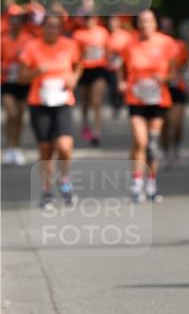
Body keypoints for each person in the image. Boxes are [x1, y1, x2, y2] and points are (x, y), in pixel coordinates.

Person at [19, 13, 82, 207]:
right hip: (40, 102)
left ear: (60, 29)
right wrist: (35, 72)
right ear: (42, 28)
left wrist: (74, 78)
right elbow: (21, 76)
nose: (52, 30)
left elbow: (79, 65)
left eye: (56, 26)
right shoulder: (32, 47)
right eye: (48, 26)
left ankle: (65, 181)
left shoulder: (69, 45)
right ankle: (46, 190)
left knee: (64, 146)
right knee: (45, 149)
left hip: (63, 101)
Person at [118, 9, 175, 203]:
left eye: (149, 21)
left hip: (158, 98)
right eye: (141, 21)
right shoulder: (129, 44)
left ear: (156, 23)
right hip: (135, 97)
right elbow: (120, 66)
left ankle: (151, 183)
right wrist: (121, 81)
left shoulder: (166, 43)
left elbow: (174, 71)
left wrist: (165, 77)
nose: (145, 25)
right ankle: (136, 183)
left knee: (151, 144)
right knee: (140, 140)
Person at [1, 4, 32, 164]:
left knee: (19, 115)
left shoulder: (28, 40)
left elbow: (32, 61)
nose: (15, 22)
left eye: (18, 19)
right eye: (12, 19)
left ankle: (17, 147)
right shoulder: (3, 40)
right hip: (7, 82)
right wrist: (4, 68)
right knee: (10, 113)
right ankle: (9, 146)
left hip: (23, 82)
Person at [73, 14, 109, 145]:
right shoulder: (78, 34)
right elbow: (75, 54)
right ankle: (86, 125)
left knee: (96, 101)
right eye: (86, 18)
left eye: (91, 17)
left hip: (99, 69)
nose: (89, 20)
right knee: (84, 103)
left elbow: (108, 50)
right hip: (84, 70)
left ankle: (97, 131)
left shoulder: (103, 32)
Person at [159, 16, 189, 169]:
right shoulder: (156, 45)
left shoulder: (180, 45)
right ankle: (165, 152)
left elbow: (185, 65)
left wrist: (182, 77)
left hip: (177, 88)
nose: (166, 30)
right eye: (163, 27)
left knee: (176, 124)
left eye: (169, 27)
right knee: (164, 125)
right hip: (161, 88)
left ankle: (176, 149)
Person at [106, 15, 134, 115]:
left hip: (123, 65)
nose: (112, 24)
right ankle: (115, 106)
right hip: (111, 66)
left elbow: (130, 49)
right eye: (111, 21)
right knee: (113, 87)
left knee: (121, 86)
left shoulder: (125, 35)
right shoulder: (107, 35)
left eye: (114, 21)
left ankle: (122, 104)